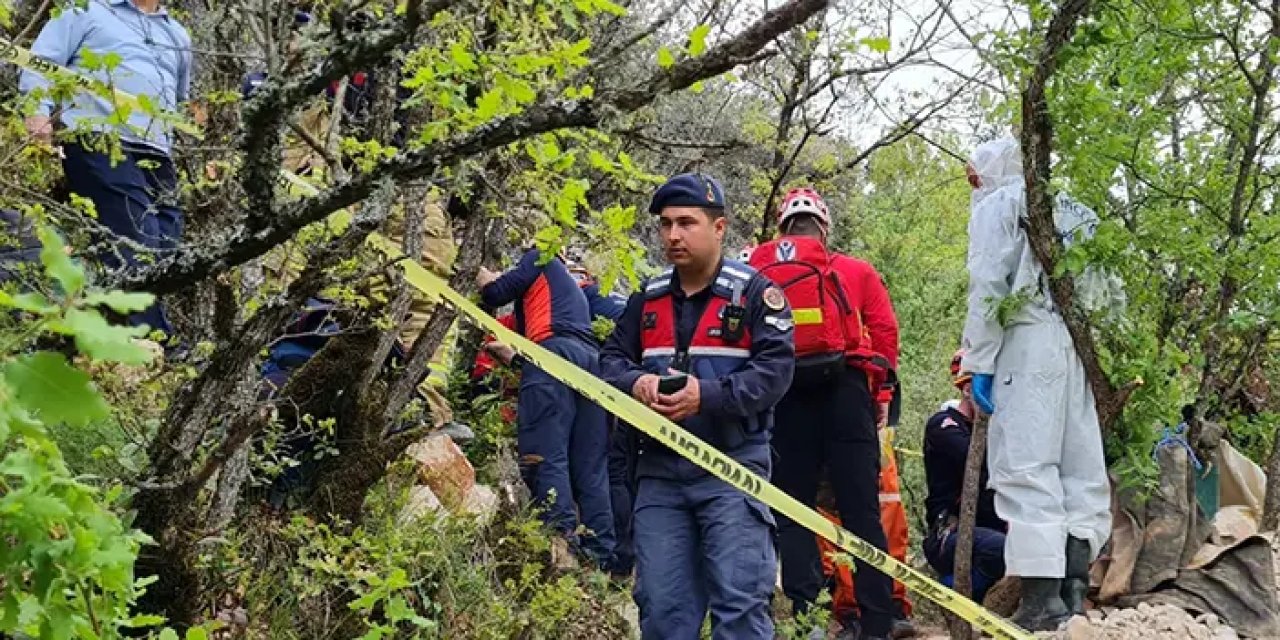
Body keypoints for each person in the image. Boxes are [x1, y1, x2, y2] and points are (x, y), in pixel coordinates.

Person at [600, 173, 795, 639]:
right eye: (665, 225)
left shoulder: (755, 294)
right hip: (659, 476)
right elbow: (608, 361)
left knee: (740, 606)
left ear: (720, 227)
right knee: (662, 611)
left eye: (686, 223)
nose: (673, 235)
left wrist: (704, 396)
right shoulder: (646, 297)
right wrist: (637, 382)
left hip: (732, 470)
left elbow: (775, 373)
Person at [960, 136, 1111, 630]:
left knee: (1026, 466)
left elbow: (988, 283)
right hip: (1078, 347)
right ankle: (1073, 592)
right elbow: (1109, 294)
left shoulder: (1001, 205)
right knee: (1079, 468)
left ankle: (1042, 602)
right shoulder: (1079, 210)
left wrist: (979, 358)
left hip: (1025, 344)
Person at [748, 187, 900, 640]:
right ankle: (878, 621)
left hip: (784, 393)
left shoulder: (756, 270)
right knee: (861, 512)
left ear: (781, 230)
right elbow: (884, 331)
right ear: (824, 228)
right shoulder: (854, 270)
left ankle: (807, 618)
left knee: (793, 510)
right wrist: (880, 396)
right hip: (847, 390)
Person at [20, 0, 194, 337]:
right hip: (99, 138)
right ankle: (151, 339)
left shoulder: (178, 35)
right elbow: (40, 63)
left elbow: (179, 100)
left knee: (167, 245)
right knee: (134, 238)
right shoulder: (85, 9)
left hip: (157, 150)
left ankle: (102, 322)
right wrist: (37, 113)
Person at [477, 248, 614, 567]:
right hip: (591, 366)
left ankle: (560, 540)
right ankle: (600, 555)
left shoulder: (541, 255)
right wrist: (517, 359)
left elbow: (497, 293)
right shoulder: (568, 293)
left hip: (554, 355)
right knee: (590, 465)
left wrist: (480, 275)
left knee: (545, 452)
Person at [922, 350, 1007, 603]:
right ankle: (952, 597)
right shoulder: (944, 425)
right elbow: (976, 458)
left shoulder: (995, 431)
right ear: (969, 389)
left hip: (989, 529)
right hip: (949, 534)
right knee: (1002, 550)